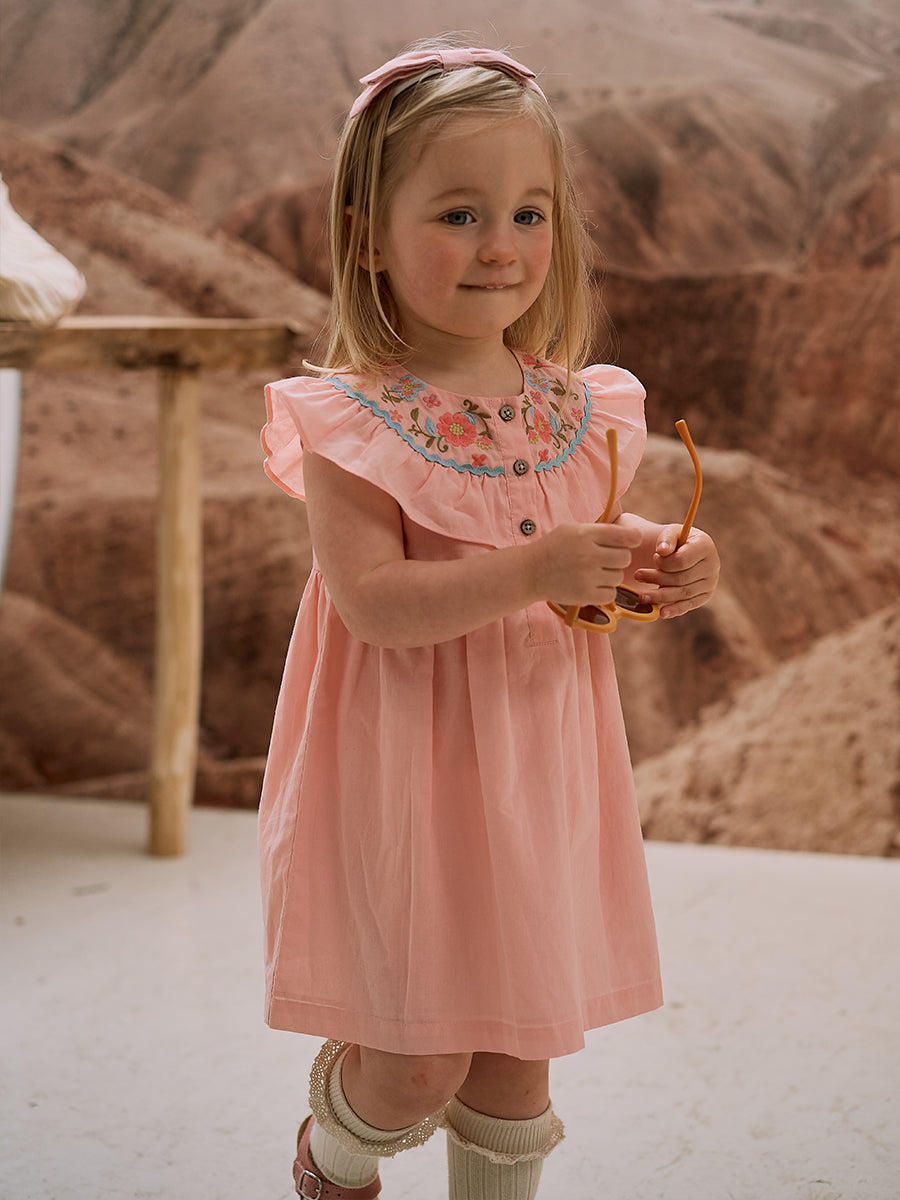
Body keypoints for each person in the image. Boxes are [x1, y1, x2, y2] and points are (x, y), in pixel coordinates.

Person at [259, 36, 720, 1200]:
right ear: (368, 233)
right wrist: (532, 572)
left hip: (533, 775)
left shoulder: (575, 406)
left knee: (517, 1065)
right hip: (402, 779)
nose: (501, 245)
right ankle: (333, 1159)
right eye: (459, 214)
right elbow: (374, 603)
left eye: (528, 213)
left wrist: (656, 557)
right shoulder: (351, 422)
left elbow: (576, 547)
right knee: (417, 1063)